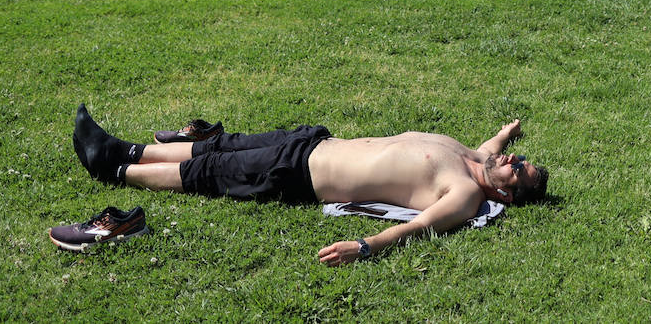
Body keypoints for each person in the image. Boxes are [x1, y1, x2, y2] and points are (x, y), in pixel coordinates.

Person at [71, 105, 548, 266]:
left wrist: (366, 245)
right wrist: (508, 133)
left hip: (305, 176)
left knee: (207, 174)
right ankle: (127, 148)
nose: (510, 160)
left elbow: (421, 226)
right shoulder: (477, 159)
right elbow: (493, 148)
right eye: (518, 158)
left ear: (504, 195)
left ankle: (112, 167)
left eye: (516, 168)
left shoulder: (466, 193)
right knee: (215, 150)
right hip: (314, 143)